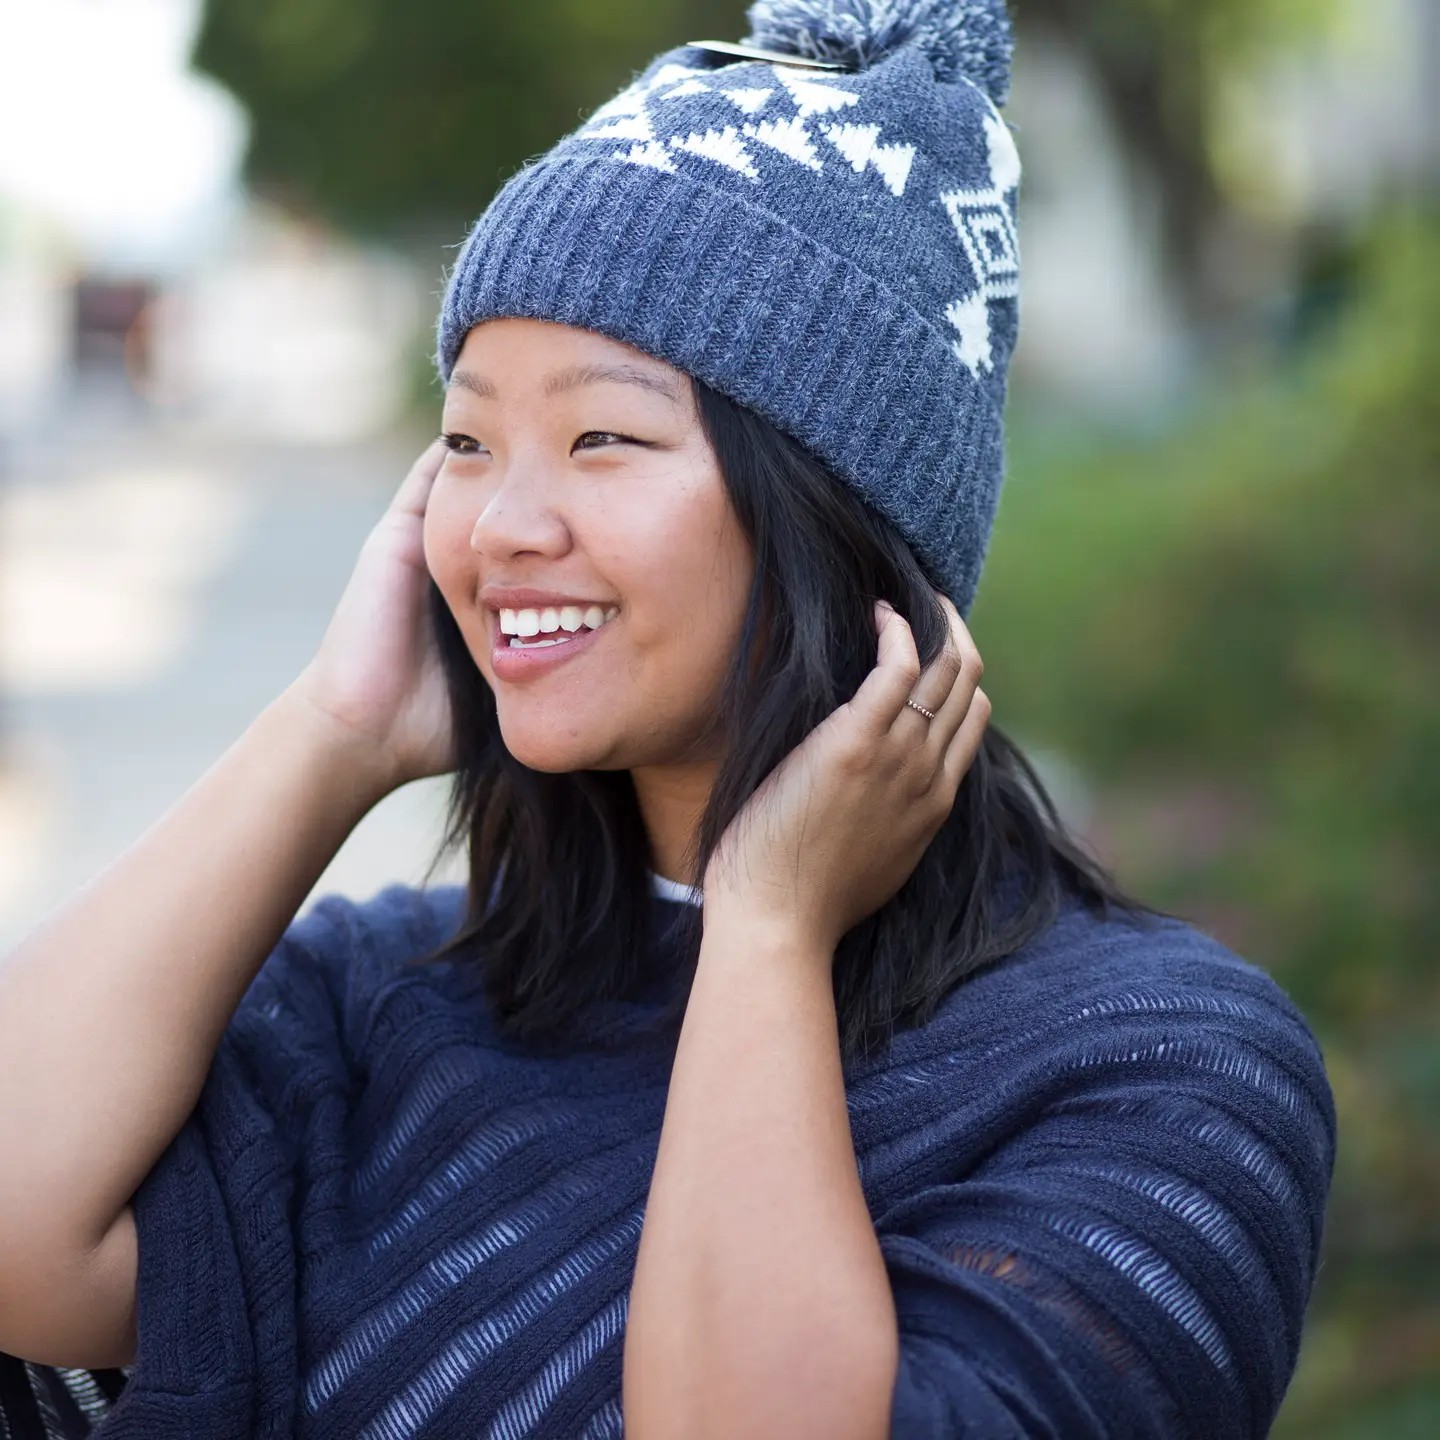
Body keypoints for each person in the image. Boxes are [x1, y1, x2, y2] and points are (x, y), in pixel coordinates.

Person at [0, 2, 1334, 1436]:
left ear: (839, 514)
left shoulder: (1160, 1067)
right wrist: (336, 730)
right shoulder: (391, 1000)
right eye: (464, 439)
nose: (502, 523)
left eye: (604, 439)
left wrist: (765, 933)